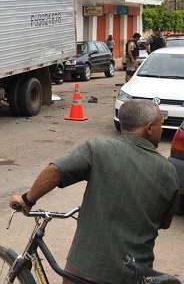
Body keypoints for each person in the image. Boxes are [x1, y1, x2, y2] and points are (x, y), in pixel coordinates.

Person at [10, 100, 179, 284]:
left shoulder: (98, 148)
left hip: (84, 271)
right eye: (160, 124)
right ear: (149, 128)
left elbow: (55, 171)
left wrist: (27, 200)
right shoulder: (168, 171)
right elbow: (163, 223)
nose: (162, 130)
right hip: (134, 275)